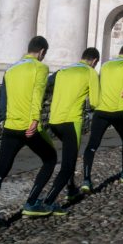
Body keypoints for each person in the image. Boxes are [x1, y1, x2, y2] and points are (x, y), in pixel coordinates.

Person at [0, 36, 58, 230]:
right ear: (42, 52)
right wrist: (35, 119)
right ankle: (32, 203)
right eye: (44, 54)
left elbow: (3, 101)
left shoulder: (10, 69)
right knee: (50, 159)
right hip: (29, 128)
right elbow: (38, 94)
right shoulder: (40, 68)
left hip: (11, 126)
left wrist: (8, 119)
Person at [43, 47, 100, 213]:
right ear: (95, 61)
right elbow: (95, 102)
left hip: (54, 120)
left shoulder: (64, 70)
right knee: (68, 165)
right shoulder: (90, 72)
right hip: (71, 122)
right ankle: (49, 201)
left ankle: (71, 189)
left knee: (69, 156)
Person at [81, 43, 123, 193]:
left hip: (101, 110)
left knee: (92, 144)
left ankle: (86, 179)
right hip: (118, 110)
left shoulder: (105, 65)